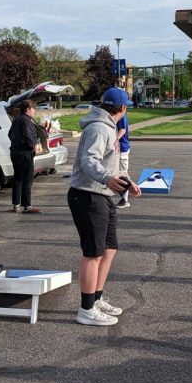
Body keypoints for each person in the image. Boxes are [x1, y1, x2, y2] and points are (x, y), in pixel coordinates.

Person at [67, 87, 141, 326]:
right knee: (93, 253)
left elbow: (112, 163)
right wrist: (107, 179)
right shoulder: (100, 128)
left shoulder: (108, 126)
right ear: (122, 108)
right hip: (88, 195)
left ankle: (97, 298)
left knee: (109, 249)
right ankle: (86, 309)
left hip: (102, 195)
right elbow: (90, 160)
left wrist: (127, 182)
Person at [8, 99, 41, 214]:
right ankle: (27, 205)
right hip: (24, 153)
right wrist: (33, 146)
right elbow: (28, 135)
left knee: (18, 179)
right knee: (27, 179)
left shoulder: (16, 120)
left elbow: (9, 134)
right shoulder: (26, 121)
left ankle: (16, 204)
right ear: (28, 109)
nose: (34, 111)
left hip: (15, 152)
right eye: (33, 109)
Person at [115, 106, 133, 209]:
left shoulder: (122, 114)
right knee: (115, 172)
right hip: (116, 148)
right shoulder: (115, 114)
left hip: (122, 148)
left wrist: (115, 140)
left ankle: (125, 200)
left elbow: (122, 129)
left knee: (122, 173)